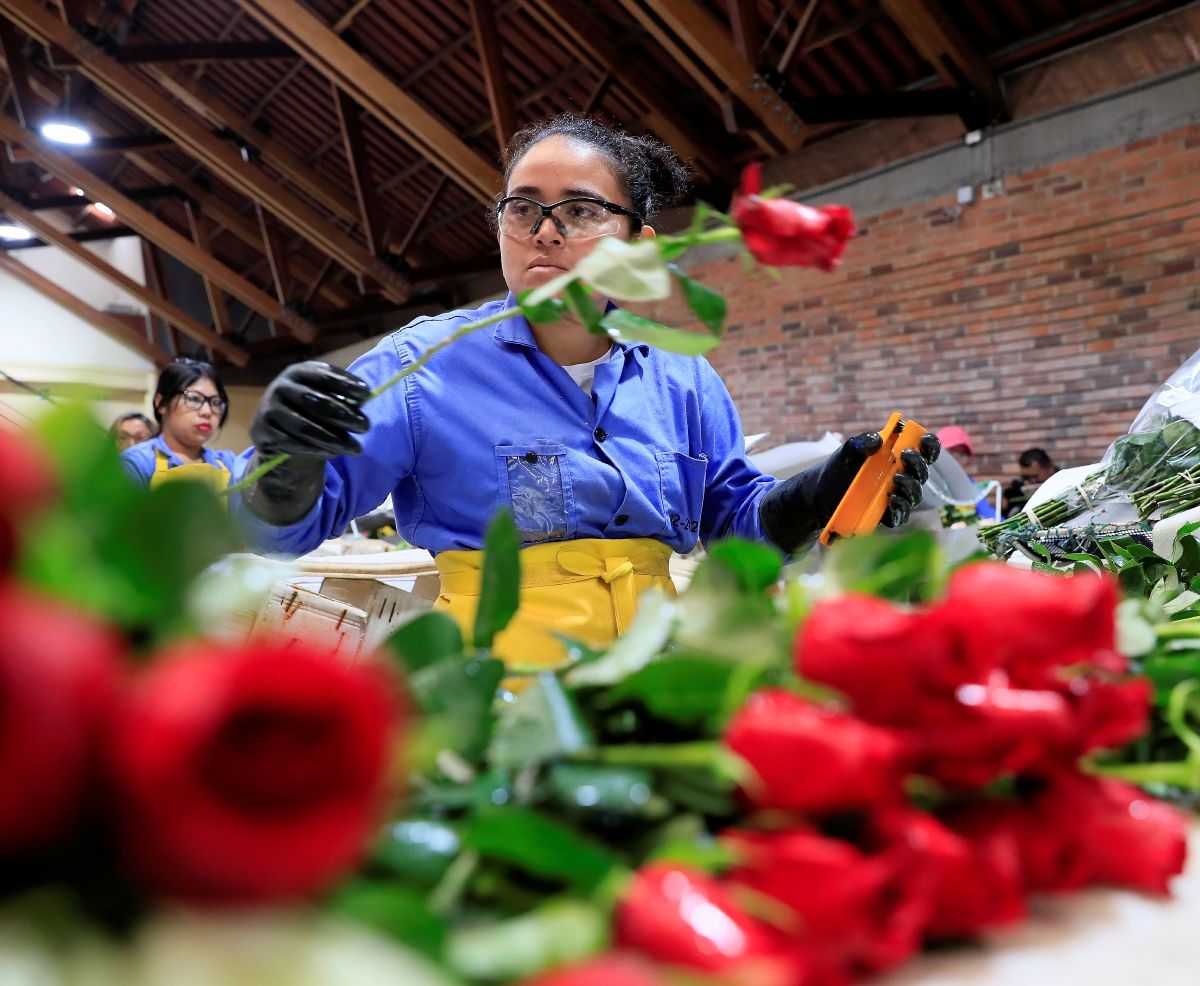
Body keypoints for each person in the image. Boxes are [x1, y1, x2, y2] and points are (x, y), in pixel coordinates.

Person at [235, 115, 940, 668]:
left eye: (577, 211)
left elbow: (736, 527)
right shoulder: (422, 368)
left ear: (637, 242)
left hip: (658, 669)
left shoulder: (682, 380)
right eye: (523, 210)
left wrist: (819, 499)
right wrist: (287, 461)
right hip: (498, 685)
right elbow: (278, 528)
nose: (544, 233)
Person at [121, 357, 237, 491]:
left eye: (215, 402)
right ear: (161, 402)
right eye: (194, 398)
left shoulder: (228, 463)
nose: (207, 411)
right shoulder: (136, 463)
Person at [936, 425, 1000, 522]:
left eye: (961, 455)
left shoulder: (967, 483)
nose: (955, 460)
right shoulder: (928, 483)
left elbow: (987, 512)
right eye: (950, 453)